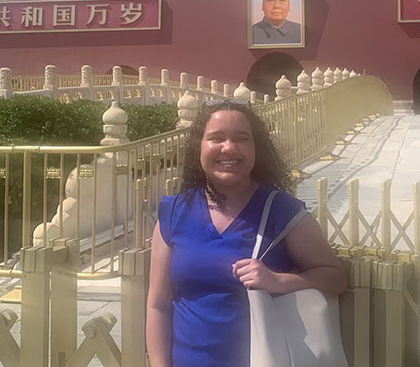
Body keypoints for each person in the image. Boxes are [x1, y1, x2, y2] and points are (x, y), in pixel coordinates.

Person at [146, 99, 346, 366]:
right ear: (199, 147)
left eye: (241, 139)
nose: (228, 148)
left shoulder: (282, 211)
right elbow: (158, 304)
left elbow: (335, 278)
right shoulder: (174, 213)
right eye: (216, 138)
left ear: (256, 149)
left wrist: (277, 281)